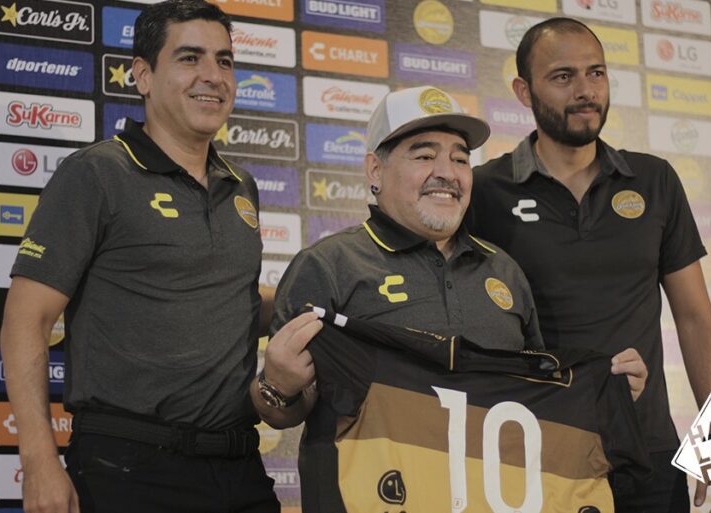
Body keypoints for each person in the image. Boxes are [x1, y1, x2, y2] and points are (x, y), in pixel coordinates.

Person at [248, 86, 648, 511]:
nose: (448, 173)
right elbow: (283, 411)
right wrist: (277, 387)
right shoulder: (327, 265)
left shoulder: (505, 272)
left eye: (460, 159)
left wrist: (604, 395)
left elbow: (537, 403)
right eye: (424, 156)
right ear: (375, 170)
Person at [0, 2, 319, 512]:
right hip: (128, 468)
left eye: (224, 60)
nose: (212, 75)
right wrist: (38, 460)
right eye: (190, 58)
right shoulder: (96, 173)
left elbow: (226, 299)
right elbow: (25, 320)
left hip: (238, 467)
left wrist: (311, 310)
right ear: (143, 75)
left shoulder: (241, 186)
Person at [467, 17, 711, 513]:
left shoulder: (655, 179)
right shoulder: (483, 190)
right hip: (535, 457)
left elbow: (696, 317)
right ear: (523, 92)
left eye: (596, 73)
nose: (585, 91)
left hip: (649, 455)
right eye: (563, 76)